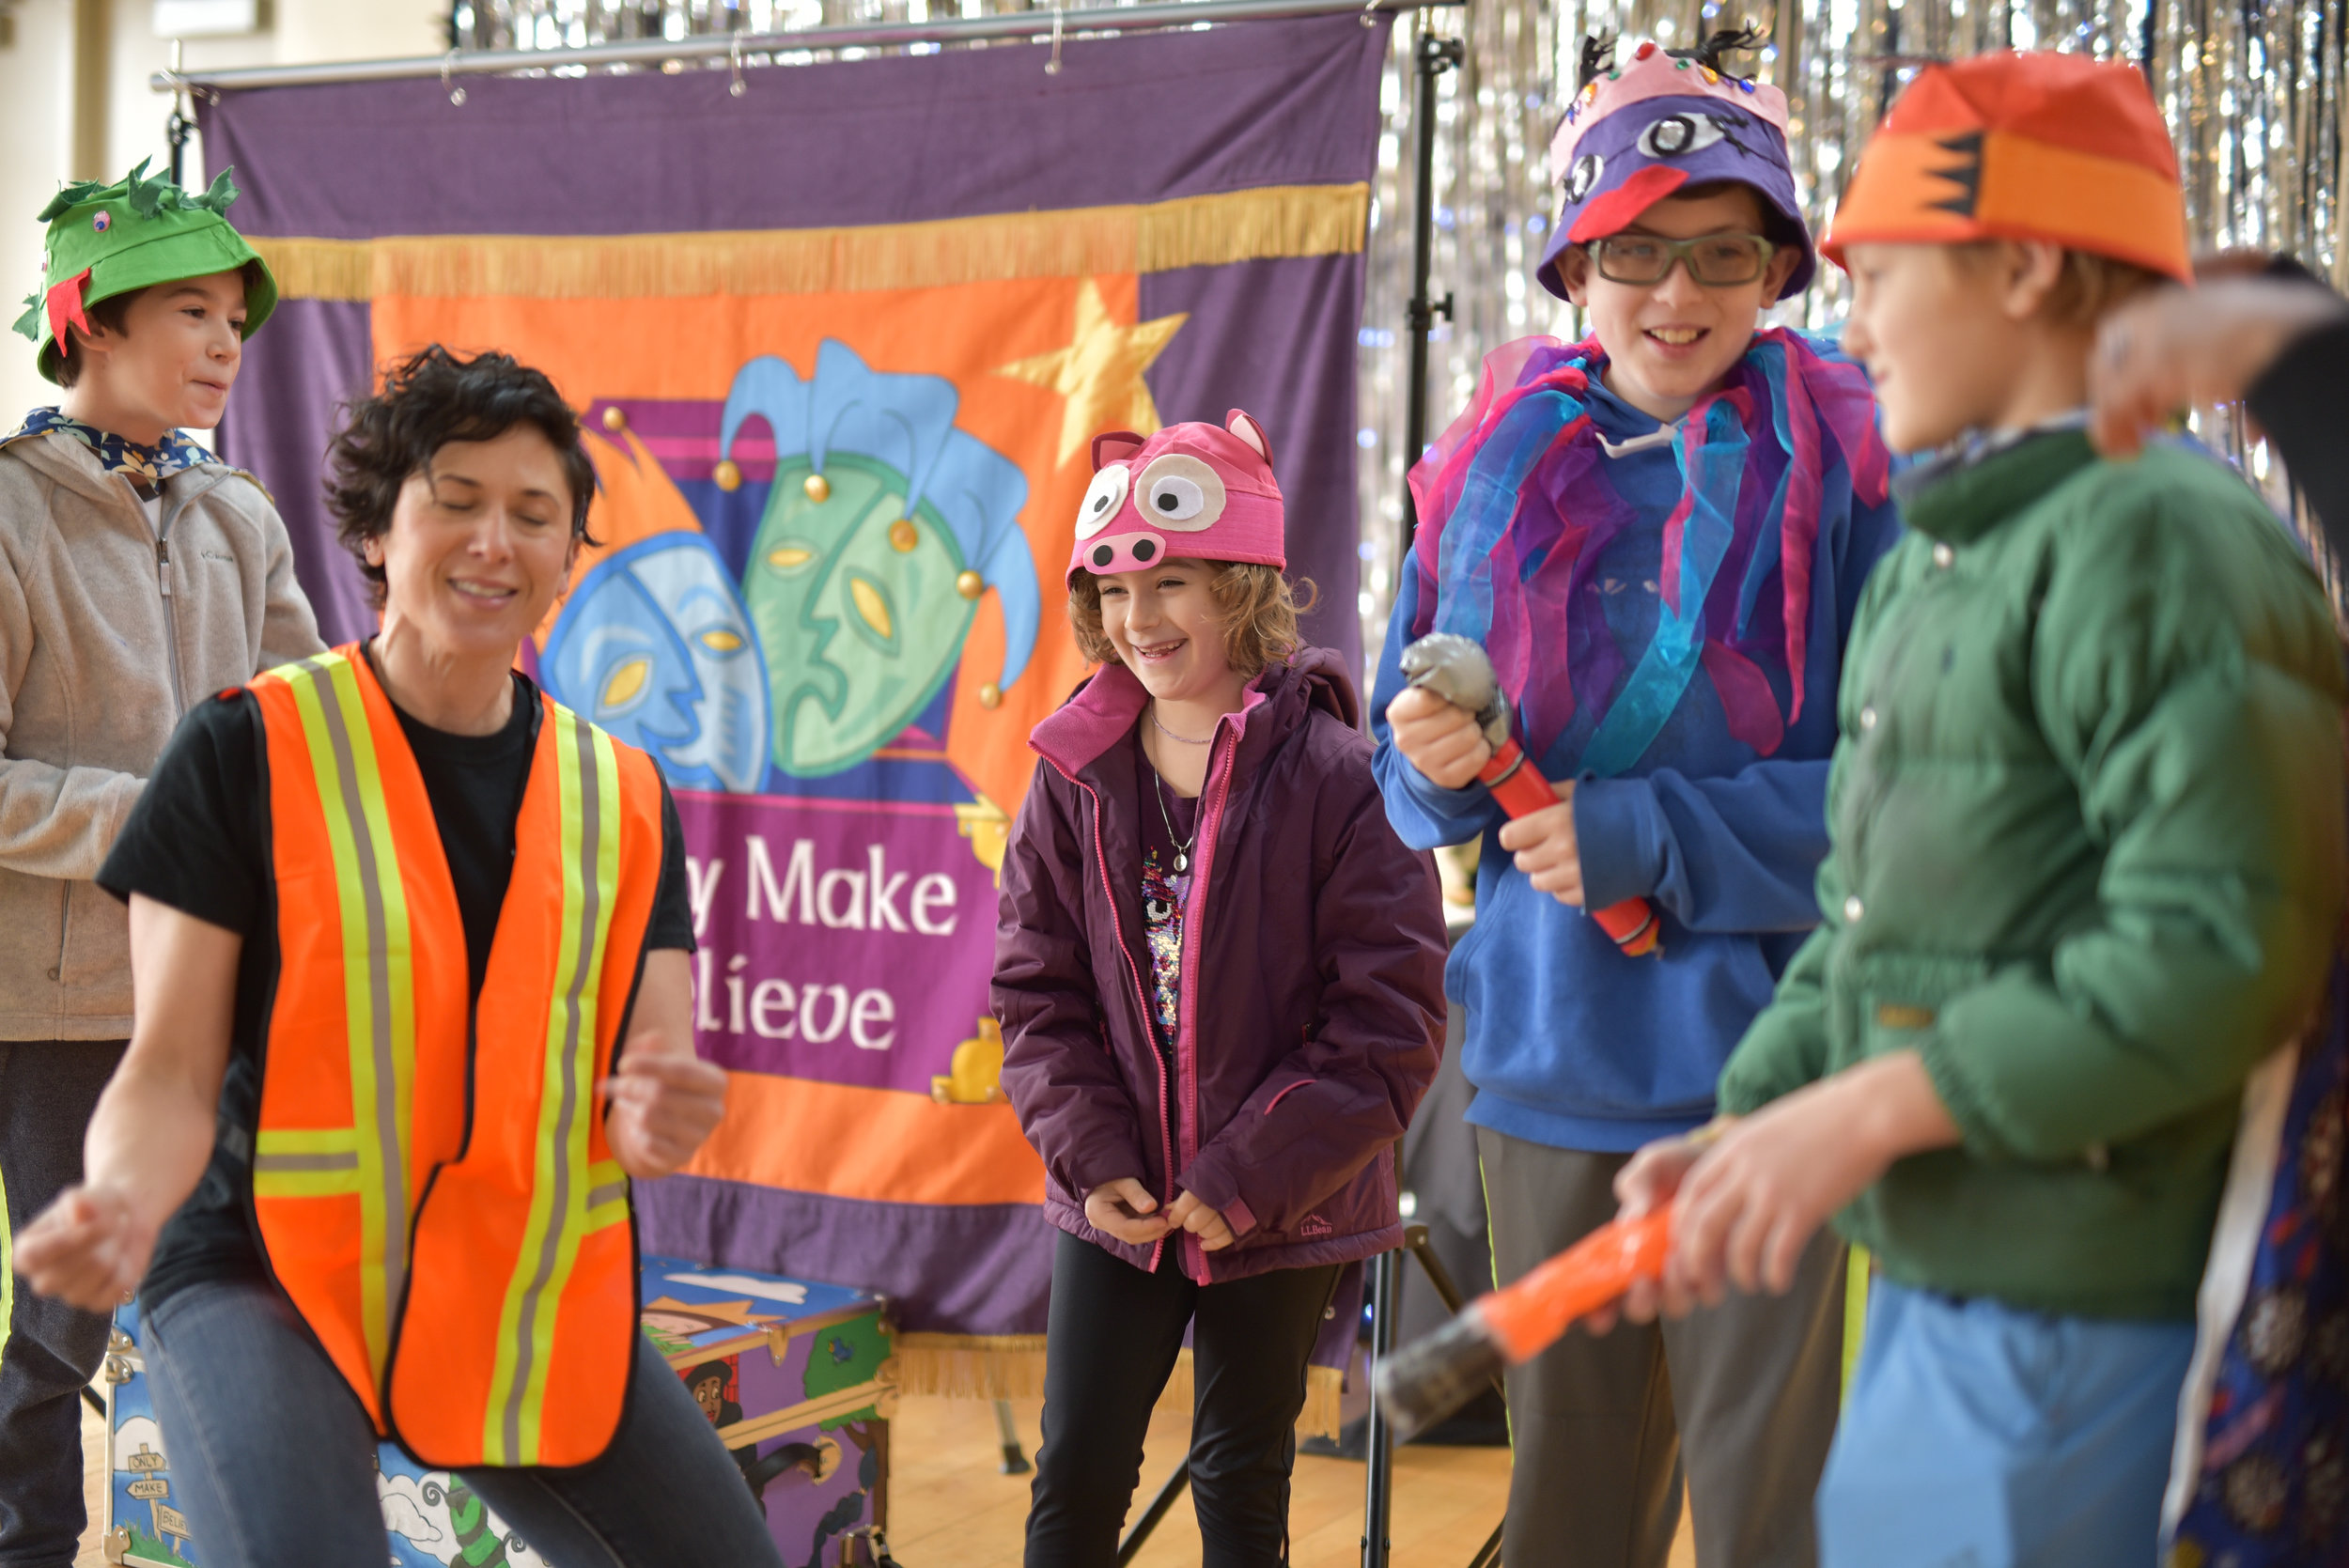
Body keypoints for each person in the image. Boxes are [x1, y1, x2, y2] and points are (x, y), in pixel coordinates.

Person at [1612, 52, 2348, 1568]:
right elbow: (1868, 920)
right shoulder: (1948, 557)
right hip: (1938, 1276)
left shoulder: (2165, 539)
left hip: (2091, 1306)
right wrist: (1754, 1111)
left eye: (1880, 275)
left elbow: (2215, 950)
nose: (1852, 321)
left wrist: (1876, 1104)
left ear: (2020, 264)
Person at [15, 346, 786, 1568]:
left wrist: (657, 1115)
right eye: (458, 499)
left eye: (536, 514)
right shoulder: (242, 749)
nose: (496, 540)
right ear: (377, 532)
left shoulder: (624, 796)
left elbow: (648, 1083)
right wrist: (121, 1198)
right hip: (255, 1260)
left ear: (568, 557)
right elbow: (164, 1073)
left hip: (504, 1268)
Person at [1370, 29, 1901, 1568]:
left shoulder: (1859, 470)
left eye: (1721, 251)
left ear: (1777, 266)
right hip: (1545, 1066)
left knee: (1760, 1518)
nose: (1678, 296)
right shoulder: (1485, 472)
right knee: (1568, 1519)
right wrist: (1430, 757)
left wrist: (1643, 834)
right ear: (1574, 271)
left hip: (1767, 1079)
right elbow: (1423, 803)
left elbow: (1893, 796)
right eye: (1638, 253)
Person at [995, 411, 1447, 1566]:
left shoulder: (1344, 781)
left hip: (1280, 1203)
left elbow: (1385, 1026)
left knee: (1238, 1476)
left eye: (1173, 583)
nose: (1137, 621)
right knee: (1076, 1467)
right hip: (1118, 1200)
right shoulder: (1071, 777)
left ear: (1242, 584)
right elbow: (1037, 995)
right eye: (1111, 590)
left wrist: (1244, 1178)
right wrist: (1094, 1163)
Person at [0, 161, 322, 1565]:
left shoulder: (240, 514)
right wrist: (162, 820)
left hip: (213, 995)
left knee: (212, 1295)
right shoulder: (9, 515)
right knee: (62, 1320)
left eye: (236, 323)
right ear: (95, 323)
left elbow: (305, 723)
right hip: (56, 998)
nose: (221, 347)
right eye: (191, 312)